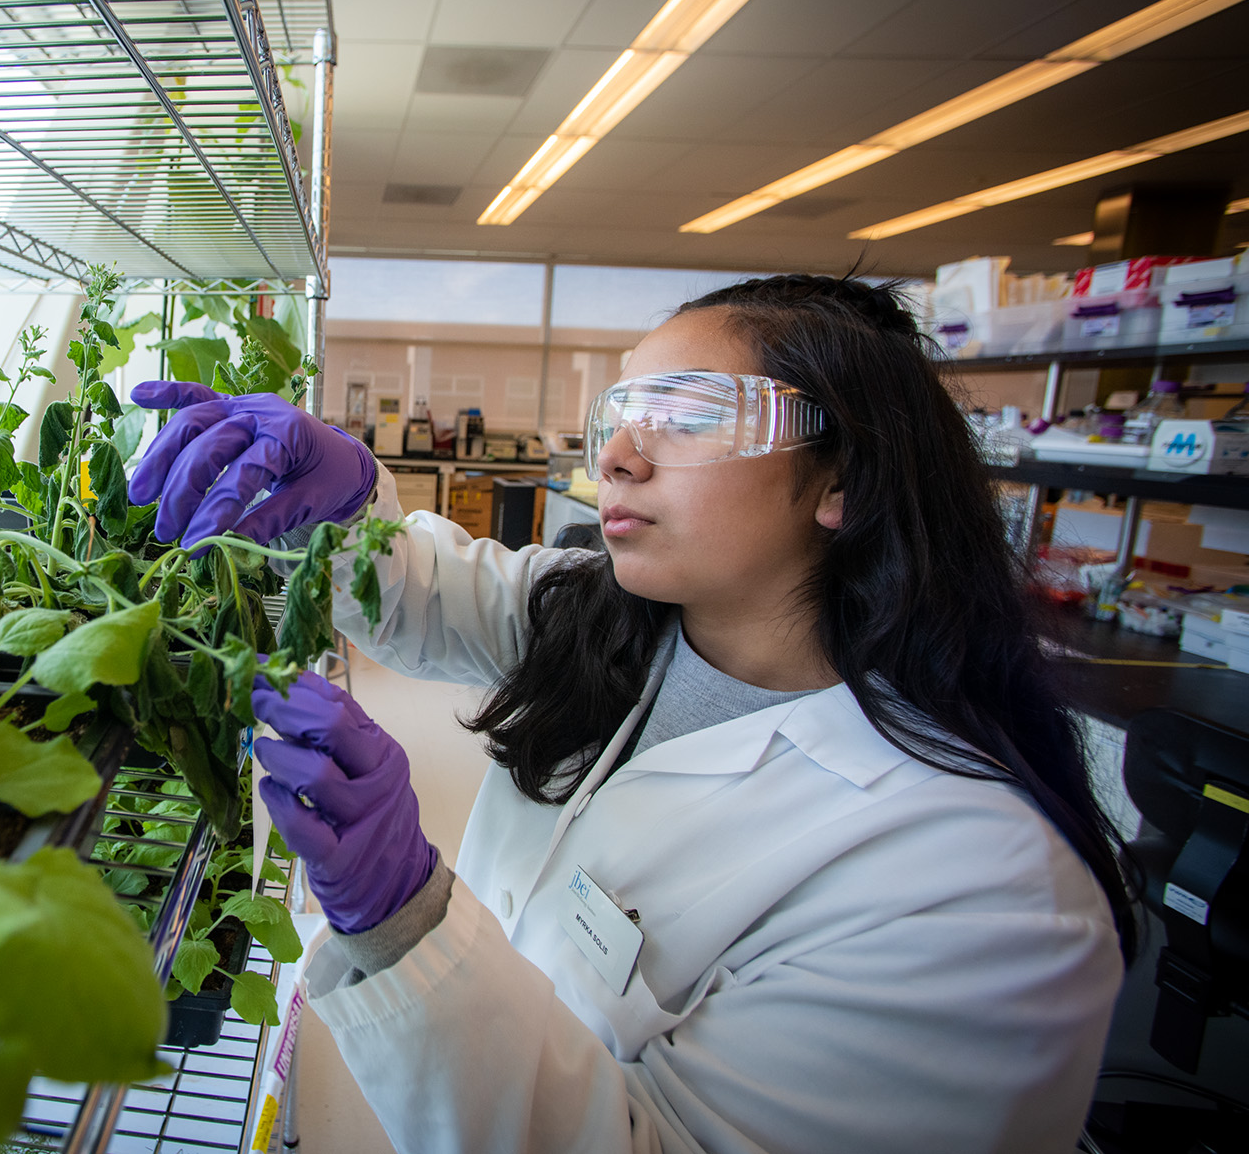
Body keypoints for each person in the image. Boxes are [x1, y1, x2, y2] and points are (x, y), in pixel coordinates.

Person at [126, 275, 1130, 1154]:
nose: (617, 457)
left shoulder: (977, 896)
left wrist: (409, 923)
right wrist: (335, 501)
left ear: (843, 479)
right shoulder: (625, 620)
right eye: (618, 417)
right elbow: (431, 590)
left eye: (688, 414)